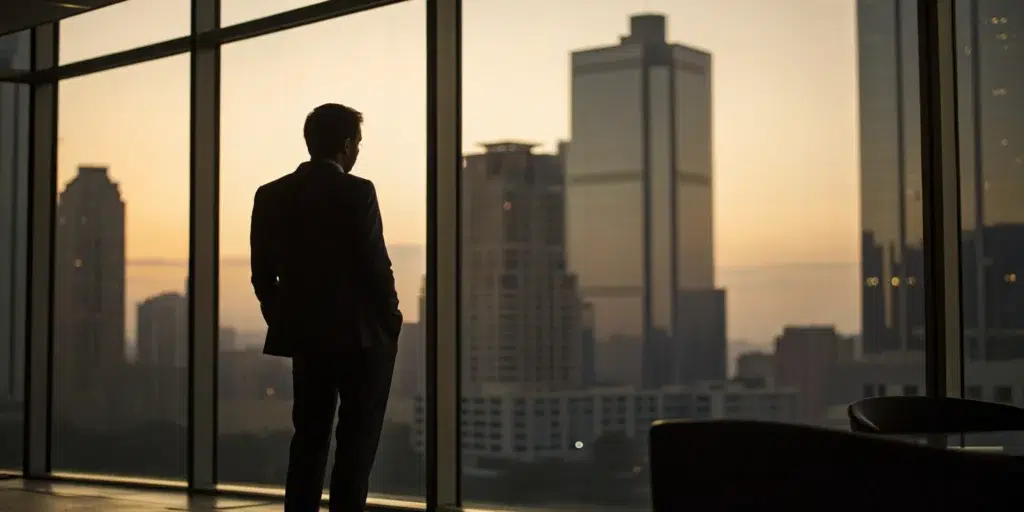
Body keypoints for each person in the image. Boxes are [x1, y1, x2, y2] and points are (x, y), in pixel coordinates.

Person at [249, 103, 402, 512]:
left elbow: (261, 277)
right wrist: (392, 320)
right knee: (356, 444)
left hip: (306, 338)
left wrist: (286, 319)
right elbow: (375, 264)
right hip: (361, 337)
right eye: (358, 144)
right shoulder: (357, 191)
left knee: (309, 439)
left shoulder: (271, 195)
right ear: (347, 145)